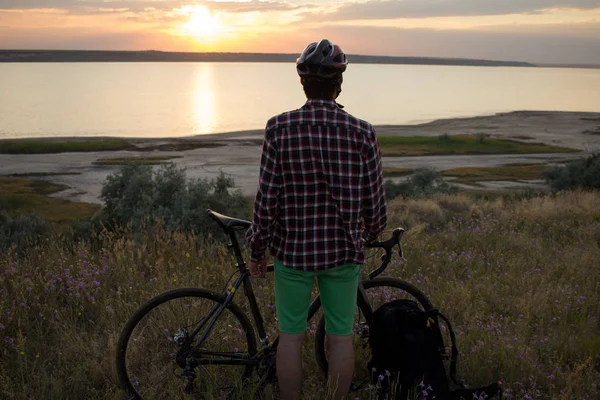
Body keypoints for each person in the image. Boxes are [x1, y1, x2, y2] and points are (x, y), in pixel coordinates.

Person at [245, 39, 387, 400]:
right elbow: (375, 201)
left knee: (290, 337)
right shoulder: (361, 131)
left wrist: (257, 249)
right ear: (339, 83)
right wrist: (370, 232)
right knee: (341, 338)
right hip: (342, 253)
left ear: (303, 83)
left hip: (292, 253)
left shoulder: (279, 128)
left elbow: (267, 199)